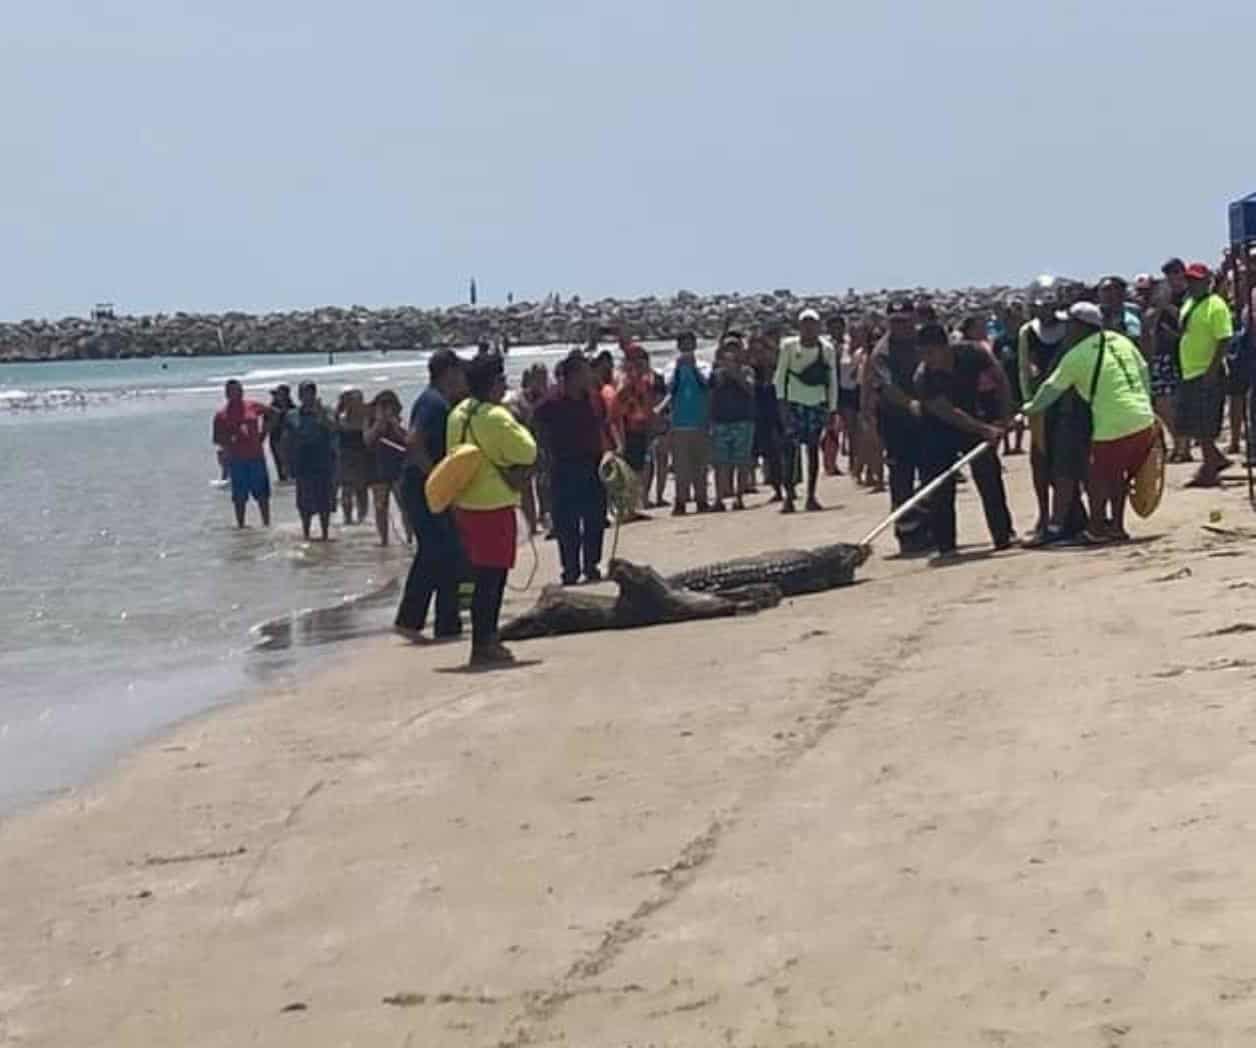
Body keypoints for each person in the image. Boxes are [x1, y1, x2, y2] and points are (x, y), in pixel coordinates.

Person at [1023, 303, 1156, 543]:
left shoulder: (1077, 356)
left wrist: (1030, 408)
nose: (1066, 329)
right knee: (1117, 476)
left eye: (1070, 324)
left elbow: (1050, 390)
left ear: (1080, 327)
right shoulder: (1121, 341)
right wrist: (1145, 405)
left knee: (1097, 479)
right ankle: (1116, 527)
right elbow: (1144, 371)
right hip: (1143, 419)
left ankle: (1095, 530)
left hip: (1112, 426)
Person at [446, 353, 538, 666]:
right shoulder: (496, 416)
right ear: (493, 382)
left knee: (479, 577)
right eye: (501, 379)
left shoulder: (457, 414)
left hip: (464, 504)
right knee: (493, 578)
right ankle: (485, 642)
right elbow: (527, 451)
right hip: (493, 504)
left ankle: (483, 640)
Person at [914, 324, 1015, 562]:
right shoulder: (923, 377)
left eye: (930, 353)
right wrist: (985, 430)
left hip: (974, 417)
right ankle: (945, 543)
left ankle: (1003, 535)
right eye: (922, 354)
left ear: (945, 347)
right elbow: (948, 412)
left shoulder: (973, 353)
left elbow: (1000, 380)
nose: (927, 359)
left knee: (989, 476)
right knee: (941, 485)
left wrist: (1004, 417)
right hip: (938, 428)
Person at [395, 350, 467, 643]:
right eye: (459, 371)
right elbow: (413, 442)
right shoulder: (432, 402)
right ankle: (409, 620)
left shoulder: (439, 402)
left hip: (429, 487)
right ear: (448, 372)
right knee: (434, 550)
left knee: (449, 550)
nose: (462, 377)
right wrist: (438, 477)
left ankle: (447, 622)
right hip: (422, 486)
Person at [1018, 287, 1086, 544]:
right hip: (1041, 404)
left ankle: (1070, 514)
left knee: (1066, 460)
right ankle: (1044, 514)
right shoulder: (1028, 332)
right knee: (1040, 461)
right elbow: (1024, 369)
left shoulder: (1068, 328)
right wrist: (1030, 402)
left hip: (1068, 402)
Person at [534, 352, 607, 585]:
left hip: (592, 464)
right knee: (567, 521)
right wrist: (542, 460)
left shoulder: (594, 398)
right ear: (572, 376)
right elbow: (536, 429)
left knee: (595, 517)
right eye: (585, 372)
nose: (589, 376)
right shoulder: (550, 402)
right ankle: (570, 569)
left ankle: (591, 564)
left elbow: (603, 425)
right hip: (563, 466)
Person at [870, 300, 928, 551]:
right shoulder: (882, 352)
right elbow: (887, 386)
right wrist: (910, 404)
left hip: (927, 418)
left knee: (931, 472)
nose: (900, 326)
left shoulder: (923, 342)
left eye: (904, 321)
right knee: (901, 476)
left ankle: (930, 526)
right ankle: (907, 533)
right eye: (894, 322)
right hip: (896, 421)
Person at [1175, 263, 1234, 487]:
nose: (1193, 284)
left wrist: (1212, 369)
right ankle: (1215, 459)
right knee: (1193, 424)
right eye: (1190, 280)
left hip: (1207, 371)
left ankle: (1209, 469)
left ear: (1207, 282)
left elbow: (1224, 338)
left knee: (1205, 425)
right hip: (1189, 370)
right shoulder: (1188, 303)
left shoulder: (1216, 305)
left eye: (1197, 280)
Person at [774, 308, 838, 513]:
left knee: (812, 450)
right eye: (805, 324)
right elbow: (780, 375)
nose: (809, 328)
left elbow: (832, 380)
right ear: (799, 326)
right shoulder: (789, 346)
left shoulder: (826, 348)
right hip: (794, 403)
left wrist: (832, 408)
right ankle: (789, 495)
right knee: (790, 451)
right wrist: (781, 403)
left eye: (812, 324)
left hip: (817, 403)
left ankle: (811, 495)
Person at [212, 379, 272, 528]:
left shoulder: (251, 406)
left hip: (256, 457)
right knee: (239, 498)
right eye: (232, 391)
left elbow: (273, 413)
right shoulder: (221, 415)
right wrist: (228, 444)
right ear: (226, 394)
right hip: (237, 460)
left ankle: (266, 524)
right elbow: (217, 439)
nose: (236, 394)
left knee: (262, 495)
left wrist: (264, 433)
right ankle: (241, 526)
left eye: (239, 390)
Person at [283, 381, 337, 541]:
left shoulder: (327, 411)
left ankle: (325, 533)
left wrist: (321, 416)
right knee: (304, 503)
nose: (307, 397)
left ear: (315, 394)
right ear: (299, 396)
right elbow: (286, 440)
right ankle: (306, 533)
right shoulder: (292, 415)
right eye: (303, 393)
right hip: (302, 463)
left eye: (310, 393)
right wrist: (286, 463)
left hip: (323, 462)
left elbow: (334, 428)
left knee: (324, 502)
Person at [709, 333, 756, 511]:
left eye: (735, 348)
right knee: (720, 462)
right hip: (721, 421)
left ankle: (739, 497)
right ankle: (719, 498)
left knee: (741, 461)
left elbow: (750, 389)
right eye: (728, 349)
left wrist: (734, 372)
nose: (731, 352)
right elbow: (711, 395)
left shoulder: (747, 371)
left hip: (743, 420)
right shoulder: (716, 373)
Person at [666, 331, 712, 515]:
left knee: (700, 465)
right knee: (681, 467)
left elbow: (706, 385)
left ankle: (702, 499)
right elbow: (670, 388)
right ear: (678, 346)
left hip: (700, 422)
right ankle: (680, 501)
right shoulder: (671, 366)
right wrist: (679, 369)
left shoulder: (703, 365)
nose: (687, 348)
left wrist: (693, 368)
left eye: (689, 344)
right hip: (679, 424)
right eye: (683, 344)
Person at [611, 344, 656, 520]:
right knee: (627, 471)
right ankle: (626, 509)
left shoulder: (643, 380)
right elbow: (618, 407)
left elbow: (647, 406)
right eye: (636, 359)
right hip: (627, 429)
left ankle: (633, 506)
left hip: (640, 428)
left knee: (638, 469)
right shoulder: (624, 379)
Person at [365, 389, 411, 546]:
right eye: (382, 405)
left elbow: (407, 440)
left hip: (398, 468)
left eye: (389, 405)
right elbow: (368, 441)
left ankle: (409, 537)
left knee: (404, 505)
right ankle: (383, 540)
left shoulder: (400, 420)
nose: (385, 409)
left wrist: (394, 424)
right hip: (377, 469)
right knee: (380, 507)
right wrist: (379, 423)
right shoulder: (370, 421)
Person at [750, 332, 786, 501]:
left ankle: (786, 487)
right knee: (768, 453)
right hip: (760, 415)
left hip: (778, 414)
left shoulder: (779, 369)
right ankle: (776, 487)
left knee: (781, 451)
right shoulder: (752, 371)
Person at [334, 389, 371, 525]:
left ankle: (362, 518)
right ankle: (348, 519)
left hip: (362, 456)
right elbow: (333, 427)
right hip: (346, 457)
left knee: (361, 489)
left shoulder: (366, 418)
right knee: (347, 489)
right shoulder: (341, 419)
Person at [267, 385, 294, 481]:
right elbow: (267, 427)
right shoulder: (271, 409)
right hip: (276, 440)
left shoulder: (293, 408)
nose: (277, 397)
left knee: (293, 468)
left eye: (281, 395)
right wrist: (276, 417)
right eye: (277, 395)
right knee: (280, 468)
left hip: (291, 441)